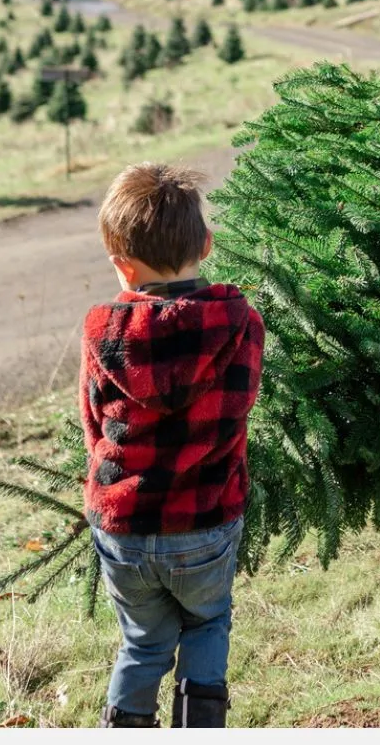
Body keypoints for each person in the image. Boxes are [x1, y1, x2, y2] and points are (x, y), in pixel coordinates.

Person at [80, 162, 266, 728]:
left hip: (123, 524)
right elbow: (239, 410)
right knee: (208, 624)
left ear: (120, 264)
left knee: (141, 642)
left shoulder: (102, 331)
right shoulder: (239, 323)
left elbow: (93, 425)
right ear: (206, 245)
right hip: (205, 521)